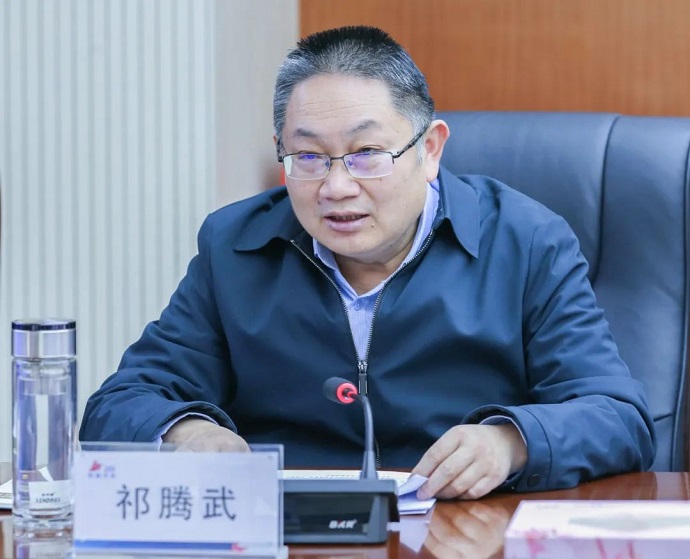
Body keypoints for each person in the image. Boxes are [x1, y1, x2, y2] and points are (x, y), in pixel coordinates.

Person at [80, 25, 655, 500]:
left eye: (366, 154)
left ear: (430, 149)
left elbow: (618, 416)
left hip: (461, 531)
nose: (336, 187)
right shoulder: (235, 246)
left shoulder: (525, 242)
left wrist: (511, 441)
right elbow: (119, 404)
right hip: (292, 534)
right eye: (308, 156)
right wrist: (186, 433)